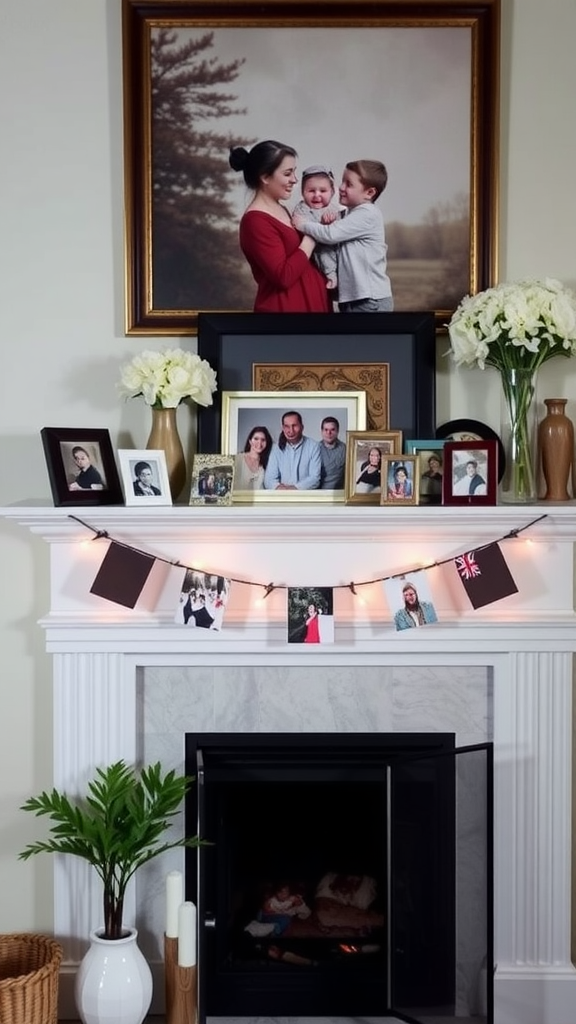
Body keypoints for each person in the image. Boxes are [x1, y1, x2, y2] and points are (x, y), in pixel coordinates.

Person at [228, 140, 331, 312]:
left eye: (294, 172)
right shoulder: (255, 221)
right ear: (265, 177)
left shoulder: (282, 209)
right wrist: (312, 236)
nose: (295, 180)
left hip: (310, 308)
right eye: (287, 173)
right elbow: (283, 276)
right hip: (286, 315)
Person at [292, 159, 393, 313]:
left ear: (369, 193)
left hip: (369, 299)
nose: (341, 188)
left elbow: (330, 235)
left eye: (349, 184)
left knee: (366, 337)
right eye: (342, 182)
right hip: (354, 298)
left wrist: (302, 224)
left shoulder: (368, 213)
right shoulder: (349, 213)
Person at [291, 165, 339, 290]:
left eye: (323, 191)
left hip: (337, 250)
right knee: (324, 252)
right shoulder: (301, 208)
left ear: (332, 192)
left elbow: (340, 231)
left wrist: (333, 221)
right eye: (311, 191)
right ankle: (331, 275)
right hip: (316, 253)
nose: (317, 195)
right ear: (302, 192)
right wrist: (321, 223)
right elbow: (299, 224)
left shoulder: (335, 209)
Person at [264, 411, 321, 490]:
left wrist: (294, 488)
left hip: (305, 498)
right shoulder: (276, 448)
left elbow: (315, 478)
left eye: (294, 426)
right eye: (286, 426)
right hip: (282, 497)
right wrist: (279, 488)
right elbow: (269, 479)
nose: (291, 430)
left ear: (302, 427)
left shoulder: (314, 446)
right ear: (283, 428)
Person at [234, 425, 273, 490]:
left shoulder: (267, 464)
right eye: (256, 439)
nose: (259, 443)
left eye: (263, 440)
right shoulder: (238, 459)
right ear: (250, 441)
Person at [319, 416, 347, 489]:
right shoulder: (315, 449)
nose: (329, 433)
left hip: (338, 493)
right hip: (319, 492)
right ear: (322, 431)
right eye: (326, 430)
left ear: (337, 431)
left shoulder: (345, 449)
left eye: (332, 430)